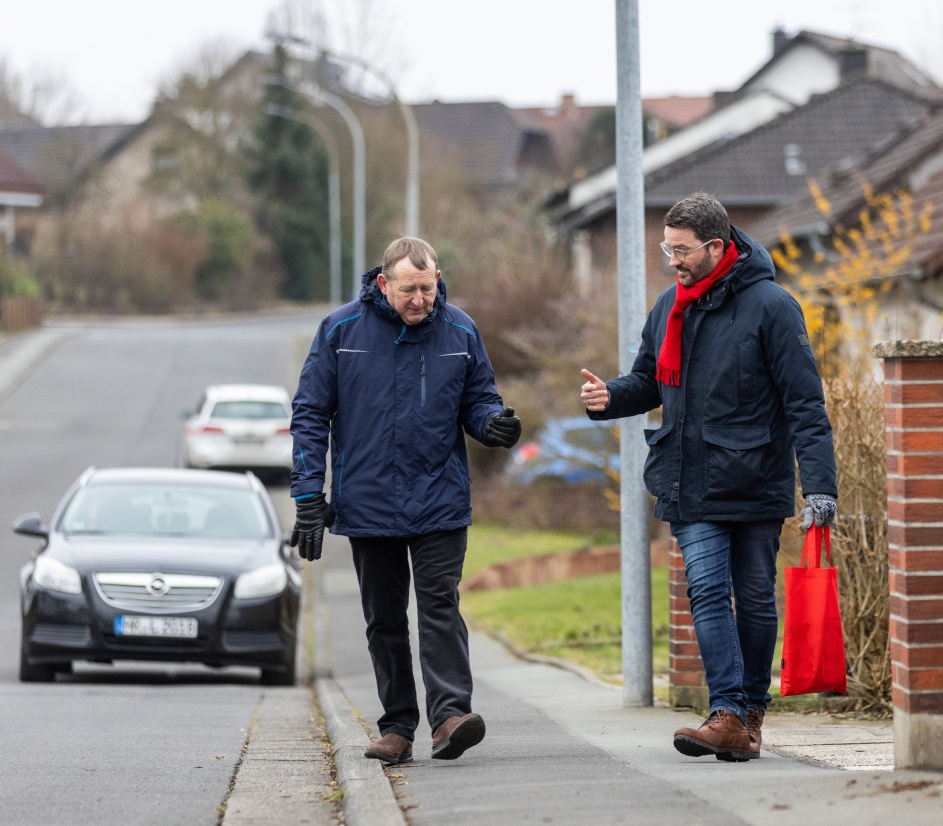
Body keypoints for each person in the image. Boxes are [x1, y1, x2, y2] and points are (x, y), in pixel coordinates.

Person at [579, 192, 837, 762]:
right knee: (705, 588)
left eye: (681, 250)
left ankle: (749, 715)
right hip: (688, 477)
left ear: (717, 247)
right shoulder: (670, 305)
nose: (671, 260)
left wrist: (820, 484)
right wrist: (608, 397)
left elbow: (804, 404)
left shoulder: (773, 306)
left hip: (756, 477)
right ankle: (724, 711)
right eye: (666, 249)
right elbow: (649, 381)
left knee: (754, 596)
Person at [290, 236, 522, 765]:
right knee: (385, 619)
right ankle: (397, 726)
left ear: (438, 278)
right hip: (369, 501)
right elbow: (309, 413)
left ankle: (450, 718)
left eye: (429, 287)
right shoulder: (341, 331)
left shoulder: (460, 329)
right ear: (383, 284)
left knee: (440, 605)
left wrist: (492, 424)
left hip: (438, 497)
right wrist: (308, 494)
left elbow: (478, 400)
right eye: (409, 289)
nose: (422, 299)